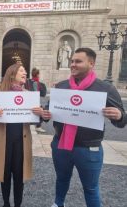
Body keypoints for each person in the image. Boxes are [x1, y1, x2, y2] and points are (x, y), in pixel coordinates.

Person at [41, 48, 127, 207]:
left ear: (91, 63)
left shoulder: (105, 89)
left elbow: (121, 121)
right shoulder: (61, 86)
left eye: (78, 61)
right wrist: (45, 114)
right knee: (61, 179)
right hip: (61, 145)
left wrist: (120, 115)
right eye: (72, 61)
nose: (72, 64)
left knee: (91, 188)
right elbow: (48, 110)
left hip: (89, 149)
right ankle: (58, 203)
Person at [0, 64, 43, 207]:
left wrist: (39, 114)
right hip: (3, 141)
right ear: (12, 74)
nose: (25, 73)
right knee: (4, 175)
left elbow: (33, 119)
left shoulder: (28, 94)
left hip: (21, 141)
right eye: (22, 71)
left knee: (19, 176)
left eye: (25, 71)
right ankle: (6, 203)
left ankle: (18, 204)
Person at [25, 67, 47, 133]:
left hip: (27, 100)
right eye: (39, 74)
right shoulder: (39, 84)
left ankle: (30, 126)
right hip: (35, 100)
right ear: (37, 75)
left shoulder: (27, 81)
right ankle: (38, 126)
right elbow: (43, 94)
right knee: (41, 111)